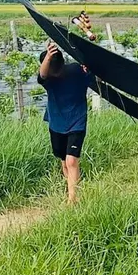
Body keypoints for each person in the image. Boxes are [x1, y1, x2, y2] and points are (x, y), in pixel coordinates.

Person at [38, 40, 93, 203]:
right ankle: (71, 190)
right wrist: (48, 55)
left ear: (62, 64)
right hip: (56, 123)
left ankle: (72, 200)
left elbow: (94, 73)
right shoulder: (48, 80)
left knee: (72, 160)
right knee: (63, 161)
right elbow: (42, 74)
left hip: (77, 121)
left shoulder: (77, 70)